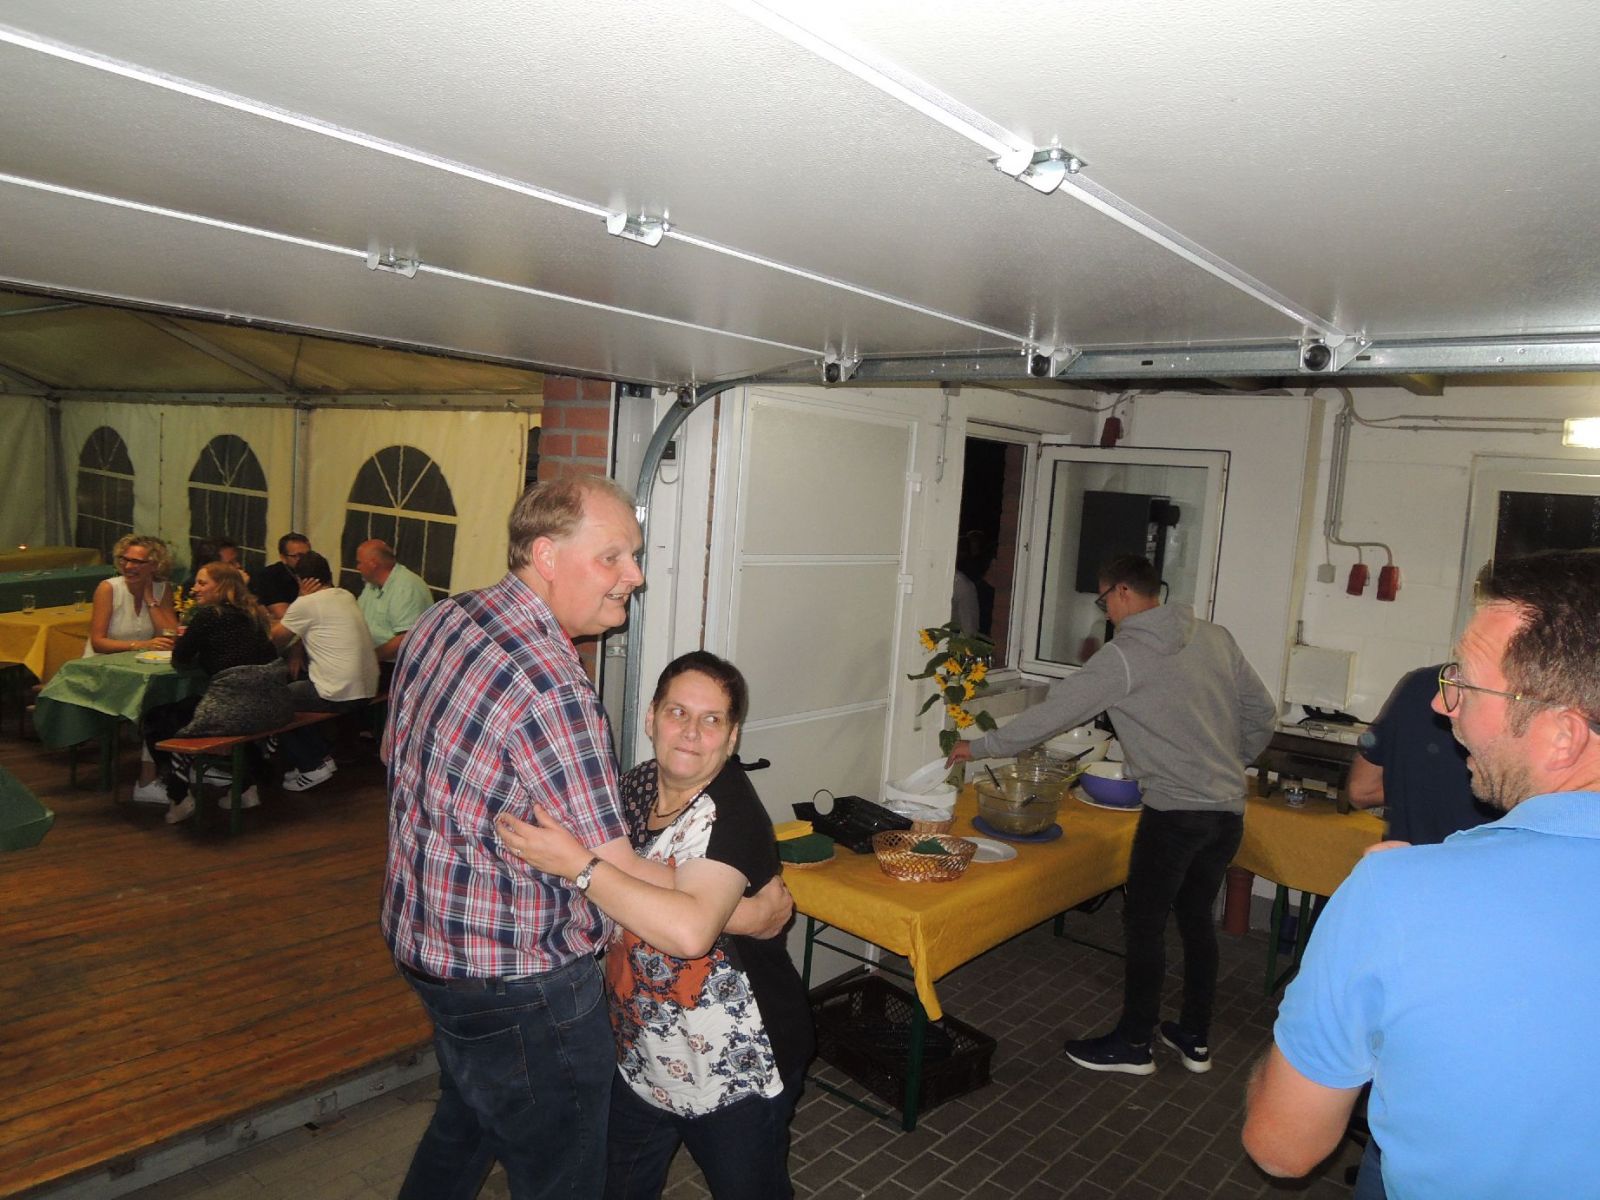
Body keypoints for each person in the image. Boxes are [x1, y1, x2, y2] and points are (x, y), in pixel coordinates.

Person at [381, 476, 790, 1199]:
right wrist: (743, 910)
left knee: (469, 1122)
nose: (635, 576)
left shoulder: (447, 619)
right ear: (546, 555)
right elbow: (614, 871)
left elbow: (394, 757)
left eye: (634, 556)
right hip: (518, 982)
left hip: (428, 947)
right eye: (613, 557)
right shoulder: (553, 688)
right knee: (562, 1174)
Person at [1243, 551, 1600, 1199]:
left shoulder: (1400, 895)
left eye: (1467, 684)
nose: (1441, 703)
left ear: (1563, 737)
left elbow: (1282, 1148)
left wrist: (1338, 980)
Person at [497, 651, 812, 1200]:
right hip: (643, 1053)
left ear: (732, 737)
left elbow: (689, 934)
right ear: (651, 718)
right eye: (677, 712)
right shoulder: (632, 789)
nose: (691, 732)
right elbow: (631, 875)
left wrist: (579, 866)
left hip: (734, 1069)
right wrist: (744, 915)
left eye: (712, 719)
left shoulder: (730, 811)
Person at [949, 554, 1276, 1075]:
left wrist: (979, 746)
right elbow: (1262, 712)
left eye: (1104, 601)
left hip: (1174, 813)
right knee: (1196, 919)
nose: (1105, 612)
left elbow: (1052, 716)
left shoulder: (1123, 657)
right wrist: (1232, 762)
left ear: (1123, 591)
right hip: (1226, 811)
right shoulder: (1216, 638)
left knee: (1144, 924)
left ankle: (1134, 1043)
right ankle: (1194, 1038)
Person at [1342, 664, 1494, 1199]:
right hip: (1477, 937)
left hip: (1404, 919)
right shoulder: (1528, 719)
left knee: (1398, 1075)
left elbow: (1361, 788)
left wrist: (1417, 787)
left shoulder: (1419, 687)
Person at [132, 562, 278, 823]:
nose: (194, 589)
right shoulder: (255, 614)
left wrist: (203, 654)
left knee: (156, 719)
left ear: (221, 587)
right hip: (271, 706)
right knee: (220, 710)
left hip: (237, 710)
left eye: (202, 583)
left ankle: (179, 796)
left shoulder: (210, 616)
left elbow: (180, 659)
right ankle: (245, 788)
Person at [268, 550, 378, 792]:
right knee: (297, 690)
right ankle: (320, 756)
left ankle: (312, 764)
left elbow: (274, 640)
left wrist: (299, 598)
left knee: (273, 701)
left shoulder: (307, 603)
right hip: (367, 688)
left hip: (340, 693)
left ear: (301, 580)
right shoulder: (346, 596)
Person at [1346, 665, 1493, 845]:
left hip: (1400, 857)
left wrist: (1416, 787)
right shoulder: (1509, 700)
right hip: (1473, 859)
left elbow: (1360, 791)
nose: (1441, 706)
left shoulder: (1419, 683)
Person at [85, 533, 178, 655]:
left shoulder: (163, 589)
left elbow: (170, 636)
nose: (128, 566)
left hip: (143, 659)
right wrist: (142, 645)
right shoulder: (108, 588)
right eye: (125, 560)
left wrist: (150, 601)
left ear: (154, 565)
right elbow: (98, 643)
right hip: (102, 661)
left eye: (136, 562)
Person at [353, 539, 434, 666]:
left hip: (396, 665)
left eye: (359, 563)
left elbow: (405, 639)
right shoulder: (371, 584)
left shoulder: (406, 587)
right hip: (370, 658)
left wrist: (369, 659)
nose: (357, 567)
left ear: (373, 564)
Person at [251, 532, 310, 620]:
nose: (304, 560)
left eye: (308, 555)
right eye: (297, 556)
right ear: (283, 558)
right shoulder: (270, 576)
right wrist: (302, 598)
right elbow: (283, 616)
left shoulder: (315, 571)